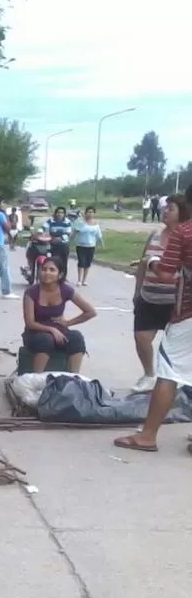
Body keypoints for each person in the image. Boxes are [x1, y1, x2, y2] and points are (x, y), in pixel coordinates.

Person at [115, 185, 192, 453]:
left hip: (188, 314)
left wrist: (151, 263)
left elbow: (166, 273)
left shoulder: (185, 232)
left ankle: (147, 436)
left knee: (168, 373)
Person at [130, 194, 189, 393]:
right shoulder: (155, 234)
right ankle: (149, 375)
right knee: (141, 338)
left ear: (182, 212)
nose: (164, 211)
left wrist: (157, 263)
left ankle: (175, 380)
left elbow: (166, 272)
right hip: (148, 297)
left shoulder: (184, 239)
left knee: (174, 347)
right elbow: (143, 263)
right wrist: (137, 290)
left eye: (170, 208)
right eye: (164, 208)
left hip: (175, 301)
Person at [21, 257, 96, 373]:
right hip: (35, 334)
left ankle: (73, 378)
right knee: (46, 339)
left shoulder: (65, 290)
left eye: (52, 270)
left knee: (76, 337)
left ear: (60, 275)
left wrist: (67, 323)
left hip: (60, 333)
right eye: (44, 269)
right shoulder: (31, 292)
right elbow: (30, 323)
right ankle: (36, 379)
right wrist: (51, 329)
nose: (47, 273)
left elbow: (90, 312)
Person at [70, 206, 103, 286]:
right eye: (88, 212)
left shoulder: (96, 224)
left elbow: (99, 235)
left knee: (88, 263)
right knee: (81, 262)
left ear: (94, 214)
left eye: (92, 212)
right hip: (81, 245)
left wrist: (102, 244)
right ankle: (79, 280)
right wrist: (70, 241)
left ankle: (84, 280)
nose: (90, 214)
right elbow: (74, 233)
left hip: (91, 246)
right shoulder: (81, 223)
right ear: (85, 213)